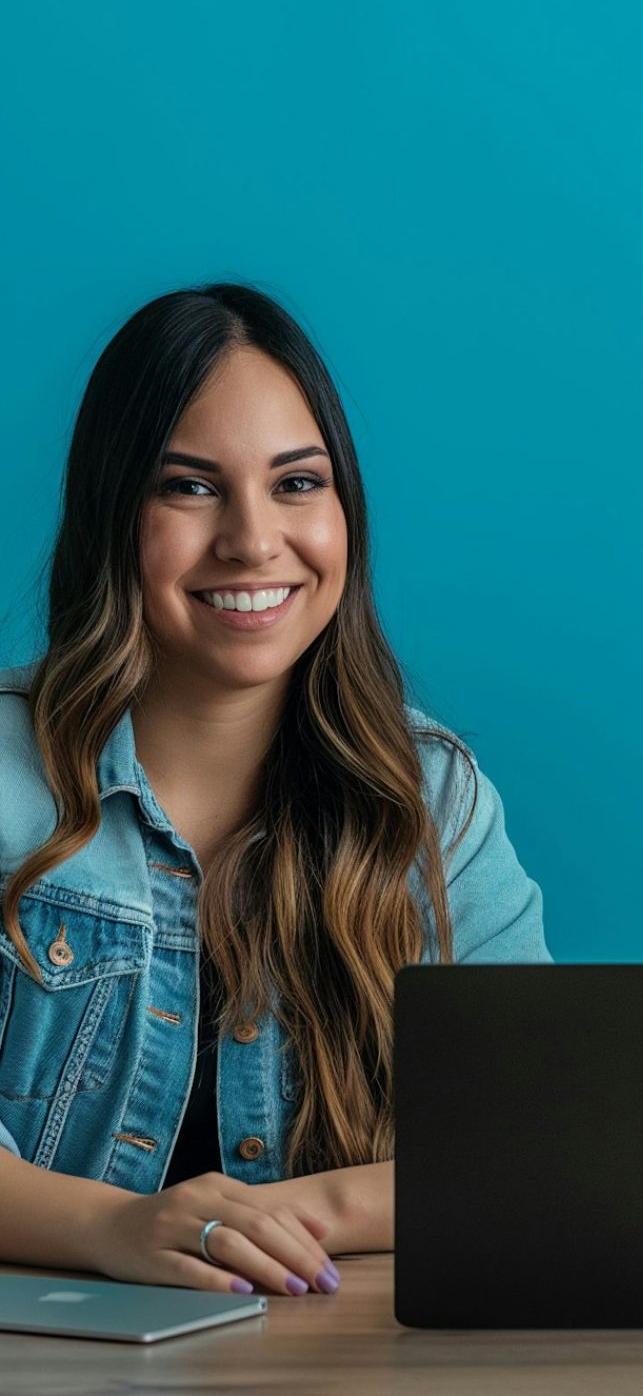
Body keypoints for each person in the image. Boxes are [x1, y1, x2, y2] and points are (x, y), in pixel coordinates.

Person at [0, 285, 549, 1294]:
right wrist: (118, 1226)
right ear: (111, 510)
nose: (253, 540)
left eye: (298, 483)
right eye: (189, 486)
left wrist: (305, 1212)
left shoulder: (433, 798)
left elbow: (539, 1139)